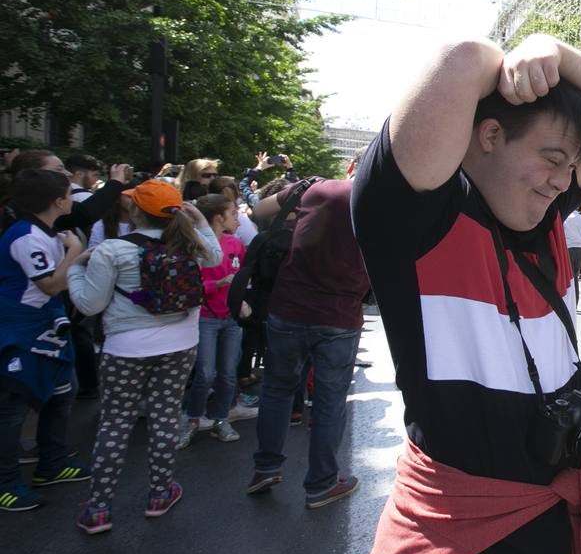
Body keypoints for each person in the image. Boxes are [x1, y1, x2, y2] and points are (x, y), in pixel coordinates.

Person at [351, 34, 581, 554]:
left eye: (572, 167)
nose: (563, 181)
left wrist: (559, 51)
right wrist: (506, 57)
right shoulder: (414, 223)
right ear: (487, 135)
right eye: (550, 157)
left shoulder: (545, 219)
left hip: (553, 549)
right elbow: (457, 60)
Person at [66, 181, 221, 533]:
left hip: (125, 349)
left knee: (115, 423)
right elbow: (215, 256)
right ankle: (160, 494)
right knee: (165, 418)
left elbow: (90, 304)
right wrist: (198, 220)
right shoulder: (189, 244)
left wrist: (75, 268)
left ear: (135, 210)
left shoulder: (111, 251)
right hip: (180, 344)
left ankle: (99, 509)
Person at [244, 174, 369, 509]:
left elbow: (258, 208)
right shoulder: (385, 203)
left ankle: (265, 467)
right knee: (330, 401)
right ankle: (321, 484)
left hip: (289, 307)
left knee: (277, 389)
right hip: (340, 315)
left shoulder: (318, 189)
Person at [0, 170, 87, 512]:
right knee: (14, 408)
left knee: (62, 392)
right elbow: (50, 284)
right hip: (21, 331)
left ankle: (52, 464)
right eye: (69, 192)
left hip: (49, 328)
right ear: (58, 200)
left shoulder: (46, 232)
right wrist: (76, 251)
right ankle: (6, 483)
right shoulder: (25, 236)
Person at [178, 194, 246, 447]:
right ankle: (192, 419)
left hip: (232, 317)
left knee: (228, 374)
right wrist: (217, 284)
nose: (238, 220)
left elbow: (242, 275)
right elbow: (188, 283)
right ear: (219, 217)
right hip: (205, 317)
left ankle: (220, 419)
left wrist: (242, 294)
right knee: (205, 373)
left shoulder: (236, 244)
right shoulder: (194, 246)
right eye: (234, 215)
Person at [563, 204, 581, 298]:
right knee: (575, 274)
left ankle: (568, 299)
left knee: (567, 275)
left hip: (568, 247)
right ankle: (575, 299)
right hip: (579, 248)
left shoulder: (565, 218)